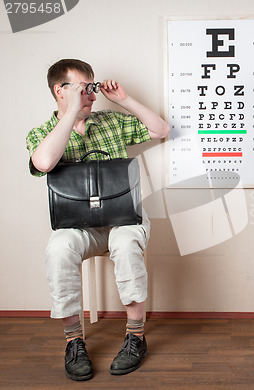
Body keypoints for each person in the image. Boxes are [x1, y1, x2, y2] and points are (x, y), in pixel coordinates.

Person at [26, 59, 170, 381]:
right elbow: (45, 162)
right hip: (79, 227)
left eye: (92, 88)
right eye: (82, 89)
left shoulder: (111, 122)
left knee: (125, 240)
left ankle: (136, 336)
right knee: (58, 248)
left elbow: (161, 130)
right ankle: (73, 342)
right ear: (59, 91)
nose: (91, 96)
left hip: (123, 218)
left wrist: (124, 100)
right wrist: (70, 116)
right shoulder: (41, 134)